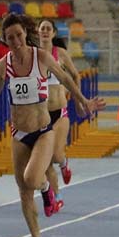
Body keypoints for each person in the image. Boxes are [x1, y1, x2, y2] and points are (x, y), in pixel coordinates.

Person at [0, 14, 105, 237]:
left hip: (43, 130)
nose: (16, 41)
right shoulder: (3, 64)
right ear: (4, 40)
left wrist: (83, 101)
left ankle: (47, 189)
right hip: (19, 134)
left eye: (18, 35)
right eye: (10, 38)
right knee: (24, 192)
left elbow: (66, 78)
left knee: (31, 178)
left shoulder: (41, 57)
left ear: (26, 33)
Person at [38, 21, 80, 207]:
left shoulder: (60, 54)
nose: (45, 31)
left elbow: (75, 75)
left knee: (55, 156)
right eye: (42, 28)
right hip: (41, 115)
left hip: (60, 111)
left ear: (54, 33)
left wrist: (77, 100)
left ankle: (63, 163)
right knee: (45, 161)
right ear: (37, 32)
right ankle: (57, 197)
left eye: (49, 29)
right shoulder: (34, 55)